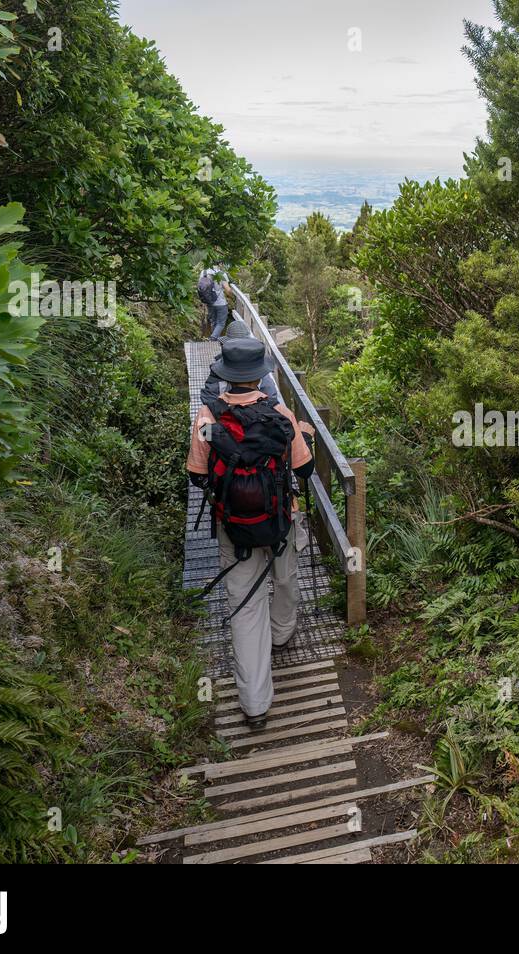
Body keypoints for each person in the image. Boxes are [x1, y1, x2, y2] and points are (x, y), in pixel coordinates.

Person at [187, 338, 314, 728]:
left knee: (244, 607)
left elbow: (196, 476)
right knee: (286, 579)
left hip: (233, 529)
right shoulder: (280, 413)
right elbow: (305, 471)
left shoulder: (207, 417)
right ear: (261, 375)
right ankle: (282, 634)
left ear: (224, 374)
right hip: (278, 521)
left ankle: (256, 704)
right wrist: (303, 435)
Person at [198, 313, 283, 407]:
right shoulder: (258, 367)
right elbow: (271, 397)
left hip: (225, 415)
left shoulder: (219, 369)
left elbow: (209, 398)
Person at [197, 264, 232, 340]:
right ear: (220, 264)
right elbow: (227, 290)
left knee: (213, 322)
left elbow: (201, 286)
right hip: (221, 303)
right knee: (221, 323)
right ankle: (213, 338)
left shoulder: (204, 272)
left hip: (209, 301)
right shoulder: (222, 274)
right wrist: (231, 295)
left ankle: (215, 341)